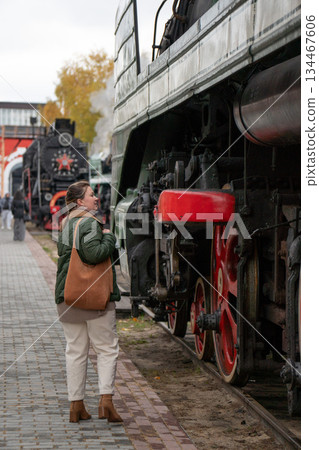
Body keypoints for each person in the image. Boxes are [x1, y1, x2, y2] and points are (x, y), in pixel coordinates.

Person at [55, 180, 122, 424]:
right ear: (80, 202)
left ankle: (76, 406)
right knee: (106, 349)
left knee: (75, 351)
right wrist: (110, 238)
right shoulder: (91, 223)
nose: (96, 199)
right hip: (95, 299)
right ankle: (106, 402)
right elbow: (94, 254)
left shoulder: (64, 224)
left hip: (68, 296)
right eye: (92, 195)